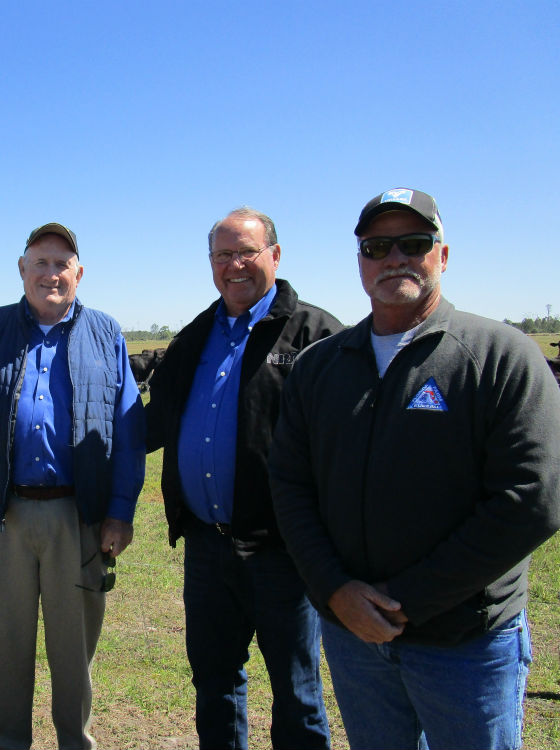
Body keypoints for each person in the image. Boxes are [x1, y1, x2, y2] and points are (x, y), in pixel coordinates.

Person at [269, 188, 560, 750]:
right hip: (354, 640)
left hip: (464, 645)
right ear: (360, 262)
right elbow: (290, 483)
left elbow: (533, 499)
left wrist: (405, 601)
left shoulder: (500, 355)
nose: (394, 257)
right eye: (378, 246)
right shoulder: (321, 366)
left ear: (442, 256)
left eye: (414, 243)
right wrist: (335, 591)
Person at [0, 222, 145, 750]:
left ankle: (74, 741)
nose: (51, 274)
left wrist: (119, 511)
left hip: (79, 518)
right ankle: (8, 742)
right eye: (40, 263)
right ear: (22, 270)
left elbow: (127, 431)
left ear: (79, 273)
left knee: (74, 651)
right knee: (7, 649)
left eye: (61, 264)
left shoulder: (106, 333)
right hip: (3, 517)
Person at [146, 207, 339, 749]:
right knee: (215, 682)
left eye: (246, 252)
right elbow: (153, 424)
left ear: (274, 256)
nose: (235, 265)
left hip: (283, 551)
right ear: (210, 263)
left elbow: (348, 447)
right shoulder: (194, 338)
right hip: (207, 548)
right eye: (222, 255)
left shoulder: (318, 337)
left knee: (297, 691)